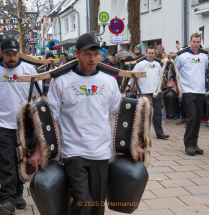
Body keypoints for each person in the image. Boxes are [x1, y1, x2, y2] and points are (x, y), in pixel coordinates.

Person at [29, 33, 144, 215]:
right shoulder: (61, 81)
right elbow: (50, 119)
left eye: (95, 53)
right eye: (87, 54)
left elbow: (116, 116)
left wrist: (133, 145)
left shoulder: (109, 82)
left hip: (100, 152)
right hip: (73, 151)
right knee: (84, 201)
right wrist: (38, 149)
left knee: (97, 205)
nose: (92, 59)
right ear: (77, 53)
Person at [0, 38, 42, 214]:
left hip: (24, 125)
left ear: (19, 53)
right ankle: (7, 198)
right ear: (1, 53)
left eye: (14, 54)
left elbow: (40, 97)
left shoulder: (29, 70)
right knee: (6, 161)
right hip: (2, 123)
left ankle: (18, 193)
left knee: (21, 160)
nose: (12, 58)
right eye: (8, 54)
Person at [175, 33, 208, 156]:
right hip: (187, 91)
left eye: (198, 42)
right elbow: (175, 70)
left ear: (200, 43)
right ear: (190, 42)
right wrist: (174, 83)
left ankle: (195, 143)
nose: (196, 44)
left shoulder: (204, 56)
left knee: (197, 118)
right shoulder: (182, 56)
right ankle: (188, 144)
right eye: (194, 41)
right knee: (192, 117)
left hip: (200, 91)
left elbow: (204, 70)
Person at [126, 46, 170, 139]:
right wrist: (129, 85)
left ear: (155, 54)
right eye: (149, 53)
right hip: (144, 92)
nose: (151, 55)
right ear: (146, 53)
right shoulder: (140, 64)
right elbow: (133, 75)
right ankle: (142, 133)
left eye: (152, 53)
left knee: (157, 113)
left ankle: (159, 133)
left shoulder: (158, 64)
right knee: (144, 113)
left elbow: (160, 76)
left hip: (156, 92)